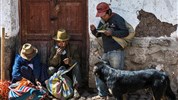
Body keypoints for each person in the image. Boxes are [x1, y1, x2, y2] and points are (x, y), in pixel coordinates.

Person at [90, 2, 129, 99]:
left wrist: (112, 32)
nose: (102, 18)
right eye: (100, 16)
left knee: (118, 75)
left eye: (103, 15)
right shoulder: (102, 21)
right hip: (106, 52)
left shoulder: (117, 18)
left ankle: (121, 96)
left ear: (108, 11)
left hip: (116, 51)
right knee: (99, 72)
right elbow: (99, 34)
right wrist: (94, 31)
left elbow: (125, 32)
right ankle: (103, 95)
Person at [48, 29, 81, 98]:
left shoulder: (73, 48)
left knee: (76, 66)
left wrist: (70, 61)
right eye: (59, 42)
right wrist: (56, 55)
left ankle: (76, 89)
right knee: (50, 69)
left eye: (63, 41)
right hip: (58, 71)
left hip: (69, 71)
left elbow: (78, 61)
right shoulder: (54, 49)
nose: (61, 43)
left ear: (67, 41)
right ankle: (52, 88)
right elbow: (51, 63)